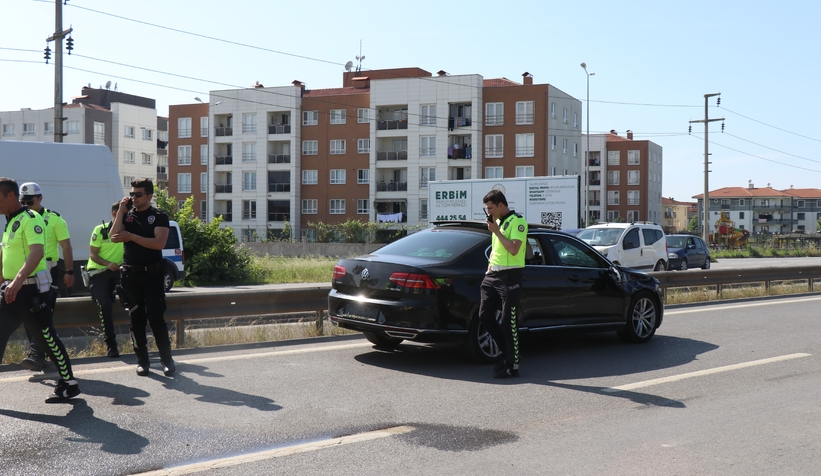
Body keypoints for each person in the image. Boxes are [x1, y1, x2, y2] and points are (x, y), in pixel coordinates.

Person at [0, 177, 80, 402]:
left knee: (45, 338)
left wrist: (16, 281)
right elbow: (6, 255)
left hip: (30, 291)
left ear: (10, 196)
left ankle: (68, 383)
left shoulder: (31, 218)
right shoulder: (10, 221)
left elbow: (37, 252)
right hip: (10, 291)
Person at [110, 178, 175, 376]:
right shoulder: (127, 215)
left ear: (149, 196)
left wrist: (132, 237)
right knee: (136, 320)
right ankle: (142, 362)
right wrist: (121, 212)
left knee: (156, 318)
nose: (134, 198)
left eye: (138, 194)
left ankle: (167, 360)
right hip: (131, 276)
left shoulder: (158, 216)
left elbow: (159, 243)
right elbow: (113, 236)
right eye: (132, 194)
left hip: (152, 275)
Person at [18, 182, 74, 371]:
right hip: (26, 271)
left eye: (30, 202)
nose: (26, 206)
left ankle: (37, 355)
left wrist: (69, 271)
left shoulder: (55, 219)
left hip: (47, 272)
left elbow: (66, 246)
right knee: (28, 315)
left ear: (40, 198)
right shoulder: (20, 219)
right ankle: (39, 355)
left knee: (43, 314)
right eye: (23, 202)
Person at [478, 189, 527, 379]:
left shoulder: (518, 222)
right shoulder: (496, 223)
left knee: (508, 320)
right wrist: (489, 267)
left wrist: (497, 232)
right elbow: (496, 248)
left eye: (490, 208)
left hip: (510, 275)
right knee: (485, 316)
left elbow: (514, 249)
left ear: (500, 205)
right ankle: (507, 354)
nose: (488, 212)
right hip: (493, 274)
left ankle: (512, 363)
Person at [86, 202, 123, 358]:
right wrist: (108, 264)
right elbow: (93, 255)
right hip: (99, 272)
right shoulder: (100, 230)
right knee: (105, 304)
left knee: (132, 298)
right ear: (115, 214)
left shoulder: (128, 230)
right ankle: (111, 345)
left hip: (118, 271)